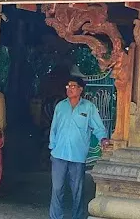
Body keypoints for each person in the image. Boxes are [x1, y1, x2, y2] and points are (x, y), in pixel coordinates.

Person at [49, 77, 109, 219]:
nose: (69, 88)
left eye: (73, 86)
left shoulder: (89, 107)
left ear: (81, 89)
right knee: (57, 189)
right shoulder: (60, 106)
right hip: (59, 155)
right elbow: (54, 129)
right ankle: (55, 217)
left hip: (77, 156)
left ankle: (77, 216)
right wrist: (52, 148)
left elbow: (98, 127)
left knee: (77, 191)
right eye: (68, 86)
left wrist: (103, 139)